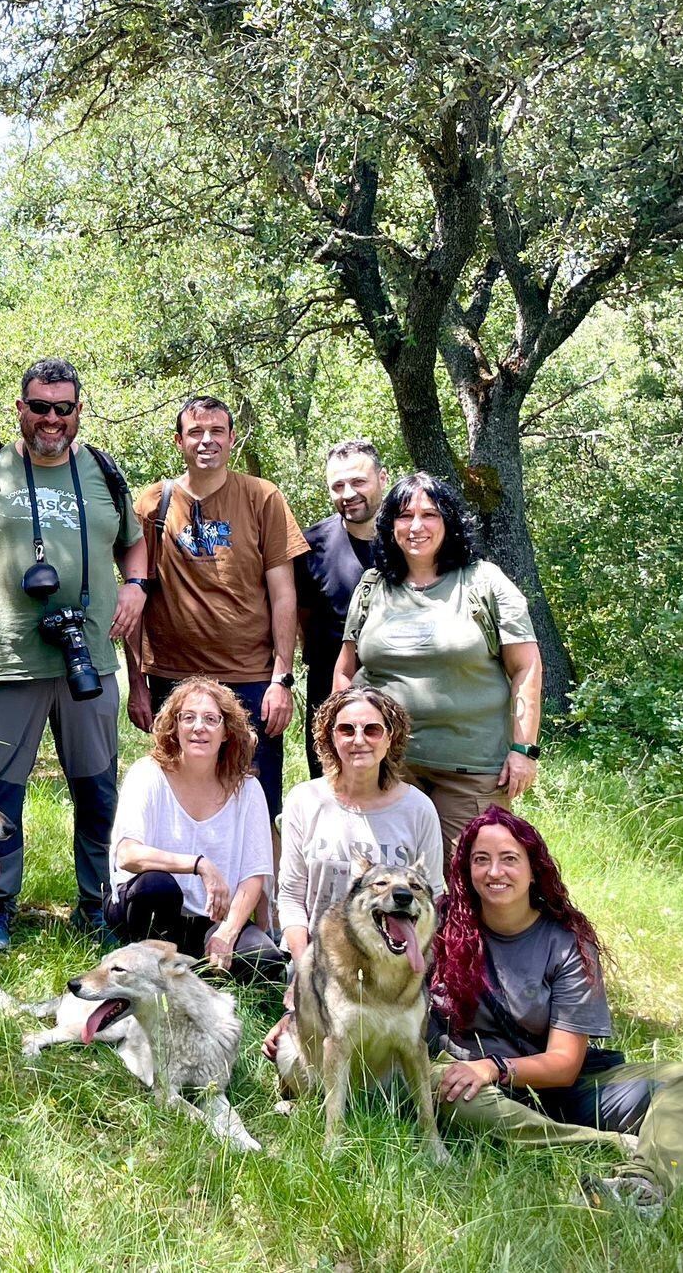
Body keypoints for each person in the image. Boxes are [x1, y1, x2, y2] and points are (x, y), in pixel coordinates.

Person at [0, 356, 148, 952]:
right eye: (40, 407)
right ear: (20, 409)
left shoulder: (104, 471)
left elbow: (134, 544)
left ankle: (98, 904)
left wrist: (135, 587)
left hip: (89, 658)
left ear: (79, 412)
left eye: (64, 408)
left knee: (97, 788)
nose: (52, 419)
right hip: (6, 657)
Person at [432, 806, 683, 1219]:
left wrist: (494, 1067)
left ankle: (642, 1185)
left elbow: (563, 1065)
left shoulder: (566, 943)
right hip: (477, 1092)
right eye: (480, 860)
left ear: (534, 869)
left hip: (557, 1088)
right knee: (440, 1085)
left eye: (509, 859)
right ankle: (600, 1144)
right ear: (466, 870)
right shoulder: (440, 923)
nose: (494, 872)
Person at [123, 395, 306, 840]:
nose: (207, 441)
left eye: (217, 432)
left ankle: (259, 907)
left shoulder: (262, 498)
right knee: (181, 796)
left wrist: (282, 679)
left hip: (250, 677)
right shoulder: (152, 504)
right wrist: (136, 684)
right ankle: (188, 898)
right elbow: (133, 594)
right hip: (173, 677)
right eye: (196, 432)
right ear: (179, 441)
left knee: (257, 799)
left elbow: (285, 595)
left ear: (232, 438)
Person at [335, 472, 544, 853]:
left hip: (471, 771)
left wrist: (523, 749)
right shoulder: (371, 586)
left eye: (429, 514)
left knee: (473, 881)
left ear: (449, 521)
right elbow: (345, 673)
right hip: (388, 768)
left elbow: (526, 666)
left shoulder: (485, 582)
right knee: (391, 888)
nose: (416, 526)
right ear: (389, 526)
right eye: (404, 515)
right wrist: (345, 748)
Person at [262, 683, 444, 1062]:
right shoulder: (304, 800)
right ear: (329, 737)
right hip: (318, 963)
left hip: (395, 968)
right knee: (296, 1059)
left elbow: (434, 898)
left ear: (390, 737)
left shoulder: (417, 808)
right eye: (346, 729)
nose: (359, 739)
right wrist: (304, 973)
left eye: (372, 729)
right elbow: (292, 899)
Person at [106, 678, 280, 980]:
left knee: (263, 961)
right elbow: (127, 854)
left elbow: (255, 875)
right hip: (149, 905)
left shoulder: (248, 790)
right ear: (175, 727)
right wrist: (199, 866)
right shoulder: (148, 773)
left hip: (210, 919)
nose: (199, 727)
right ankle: (148, 966)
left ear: (226, 732)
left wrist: (228, 931)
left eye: (211, 719)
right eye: (188, 717)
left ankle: (200, 966)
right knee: (157, 886)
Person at [294, 437, 389, 778]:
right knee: (331, 792)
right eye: (338, 485)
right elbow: (301, 618)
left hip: (400, 692)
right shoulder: (310, 546)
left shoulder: (412, 539)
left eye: (358, 481)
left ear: (383, 478)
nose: (348, 493)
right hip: (329, 692)